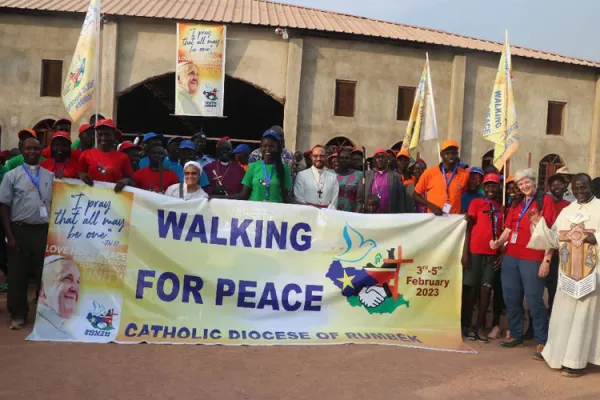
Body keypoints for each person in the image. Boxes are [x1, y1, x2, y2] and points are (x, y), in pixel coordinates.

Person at [527, 173, 599, 377]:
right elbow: (554, 239)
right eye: (576, 188)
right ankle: (556, 353)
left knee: (583, 316)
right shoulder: (568, 210)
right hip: (568, 273)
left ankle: (575, 361)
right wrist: (538, 223)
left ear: (590, 186)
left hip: (591, 272)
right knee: (563, 314)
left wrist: (597, 237)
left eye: (583, 187)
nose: (579, 192)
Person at [490, 168, 556, 351]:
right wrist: (498, 242)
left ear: (535, 181)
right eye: (521, 184)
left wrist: (546, 260)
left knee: (534, 300)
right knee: (511, 298)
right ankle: (516, 333)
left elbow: (550, 234)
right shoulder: (516, 202)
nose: (524, 186)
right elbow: (509, 229)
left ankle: (542, 339)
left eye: (527, 182)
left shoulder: (545, 200)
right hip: (511, 256)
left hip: (533, 257)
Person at [0, 137, 53, 330]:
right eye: (28, 148)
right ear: (21, 150)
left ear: (41, 151)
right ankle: (18, 314)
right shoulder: (11, 176)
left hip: (42, 230)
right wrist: (10, 236)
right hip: (19, 230)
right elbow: (4, 207)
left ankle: (42, 313)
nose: (32, 151)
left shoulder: (49, 176)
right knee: (17, 274)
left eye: (36, 148)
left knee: (44, 273)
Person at [461, 173, 504, 342]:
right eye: (488, 185)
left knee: (486, 290)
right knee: (470, 289)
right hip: (475, 252)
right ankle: (467, 325)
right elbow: (468, 227)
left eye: (494, 185)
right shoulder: (476, 203)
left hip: (492, 255)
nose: (491, 189)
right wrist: (465, 253)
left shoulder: (501, 208)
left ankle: (480, 326)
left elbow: (504, 233)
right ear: (484, 187)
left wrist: (501, 253)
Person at [233, 130, 292, 203]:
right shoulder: (253, 166)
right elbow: (243, 195)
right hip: (255, 212)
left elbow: (286, 198)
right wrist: (218, 198)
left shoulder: (284, 169)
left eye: (272, 146)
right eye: (265, 146)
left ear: (278, 149)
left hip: (275, 212)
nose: (267, 149)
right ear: (261, 148)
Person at [31, 255, 80, 340]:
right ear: (42, 288)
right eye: (67, 278)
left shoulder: (62, 326)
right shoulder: (42, 332)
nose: (75, 288)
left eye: (78, 281)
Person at [414, 140, 469, 215]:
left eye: (454, 153)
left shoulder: (464, 174)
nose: (451, 156)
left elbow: (467, 195)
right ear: (441, 154)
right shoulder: (429, 173)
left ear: (457, 154)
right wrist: (430, 205)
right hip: (434, 219)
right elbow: (416, 194)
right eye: (447, 153)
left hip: (454, 221)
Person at [77, 119, 133, 193]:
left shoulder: (123, 157)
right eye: (100, 134)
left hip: (114, 200)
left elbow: (132, 180)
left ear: (114, 136)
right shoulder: (86, 154)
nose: (103, 138)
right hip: (90, 199)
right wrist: (81, 175)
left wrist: (126, 180)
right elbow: (77, 174)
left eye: (107, 134)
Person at [545, 173, 572, 315]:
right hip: (541, 251)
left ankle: (552, 319)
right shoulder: (545, 202)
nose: (556, 187)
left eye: (559, 184)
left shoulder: (569, 206)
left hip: (559, 253)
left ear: (565, 186)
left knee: (554, 289)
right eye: (553, 185)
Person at [357, 148, 407, 213]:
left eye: (383, 157)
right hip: (370, 215)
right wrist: (360, 210)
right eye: (378, 157)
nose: (380, 159)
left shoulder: (396, 176)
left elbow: (400, 200)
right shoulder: (366, 175)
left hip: (389, 215)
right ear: (374, 160)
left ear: (387, 160)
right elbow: (360, 199)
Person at [335, 148, 362, 212]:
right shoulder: (330, 174)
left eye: (347, 158)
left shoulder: (359, 174)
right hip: (333, 212)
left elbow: (361, 197)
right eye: (342, 157)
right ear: (338, 159)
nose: (344, 160)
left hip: (352, 214)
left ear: (350, 160)